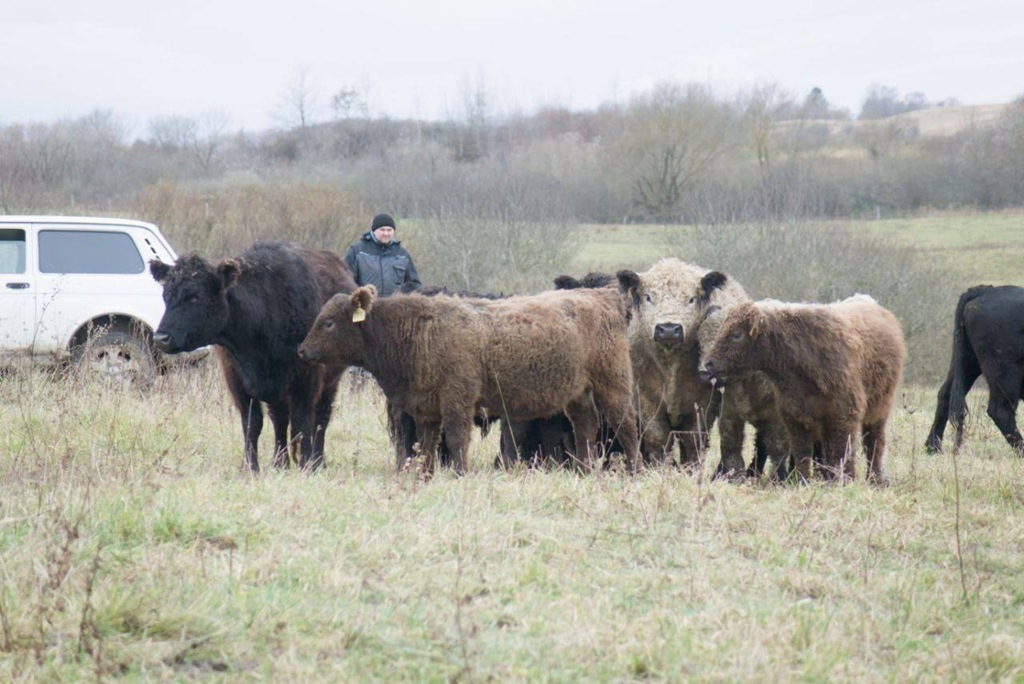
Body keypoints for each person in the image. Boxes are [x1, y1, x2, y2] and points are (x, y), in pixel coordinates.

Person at [344, 213, 421, 296]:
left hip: (394, 306)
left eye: (389, 230)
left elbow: (414, 285)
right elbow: (346, 282)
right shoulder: (357, 251)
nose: (386, 234)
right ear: (374, 231)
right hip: (365, 306)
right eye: (382, 230)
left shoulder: (403, 255)